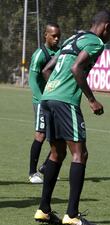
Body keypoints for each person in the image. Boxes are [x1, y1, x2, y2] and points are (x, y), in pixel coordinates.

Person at [33, 10, 110, 225]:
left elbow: (46, 69)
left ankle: (44, 210)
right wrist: (91, 100)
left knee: (56, 153)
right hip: (65, 102)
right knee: (80, 154)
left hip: (48, 98)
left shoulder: (73, 38)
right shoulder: (96, 42)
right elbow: (76, 68)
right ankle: (72, 214)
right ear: (106, 26)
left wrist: (55, 88)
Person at [28, 23, 61, 184]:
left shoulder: (60, 52)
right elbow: (33, 80)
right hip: (42, 101)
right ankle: (32, 173)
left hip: (56, 100)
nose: (56, 39)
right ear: (45, 35)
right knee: (41, 135)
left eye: (58, 36)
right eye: (53, 36)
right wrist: (41, 99)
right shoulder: (39, 55)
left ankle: (46, 166)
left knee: (58, 135)